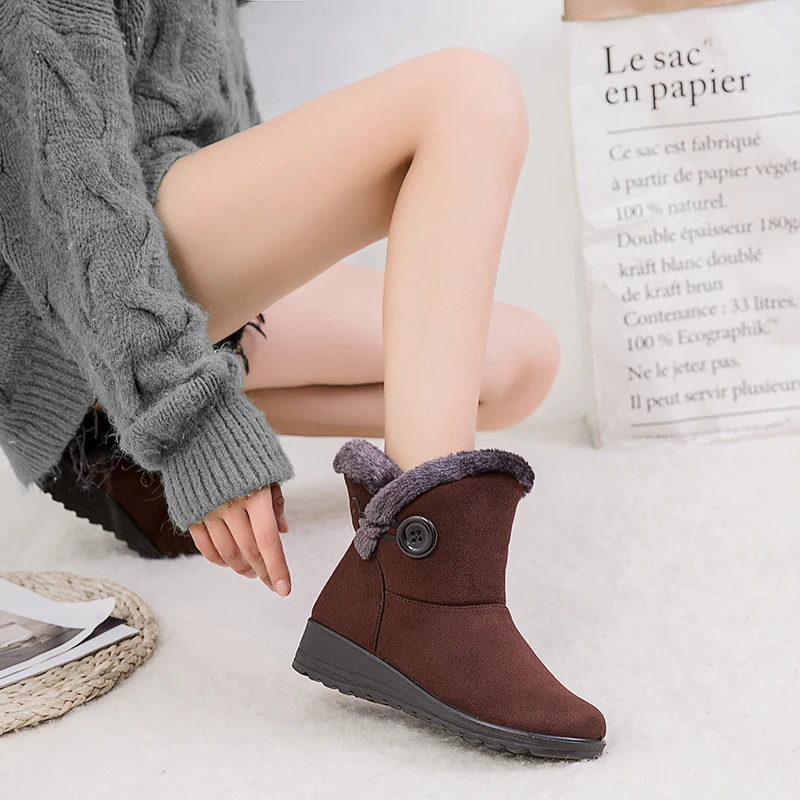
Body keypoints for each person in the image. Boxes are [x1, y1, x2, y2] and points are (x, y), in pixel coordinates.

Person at [0, 0, 605, 758]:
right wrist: (192, 427)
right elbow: (65, 190)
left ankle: (126, 429)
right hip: (77, 288)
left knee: (519, 366)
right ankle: (424, 594)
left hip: (180, 274)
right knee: (467, 94)